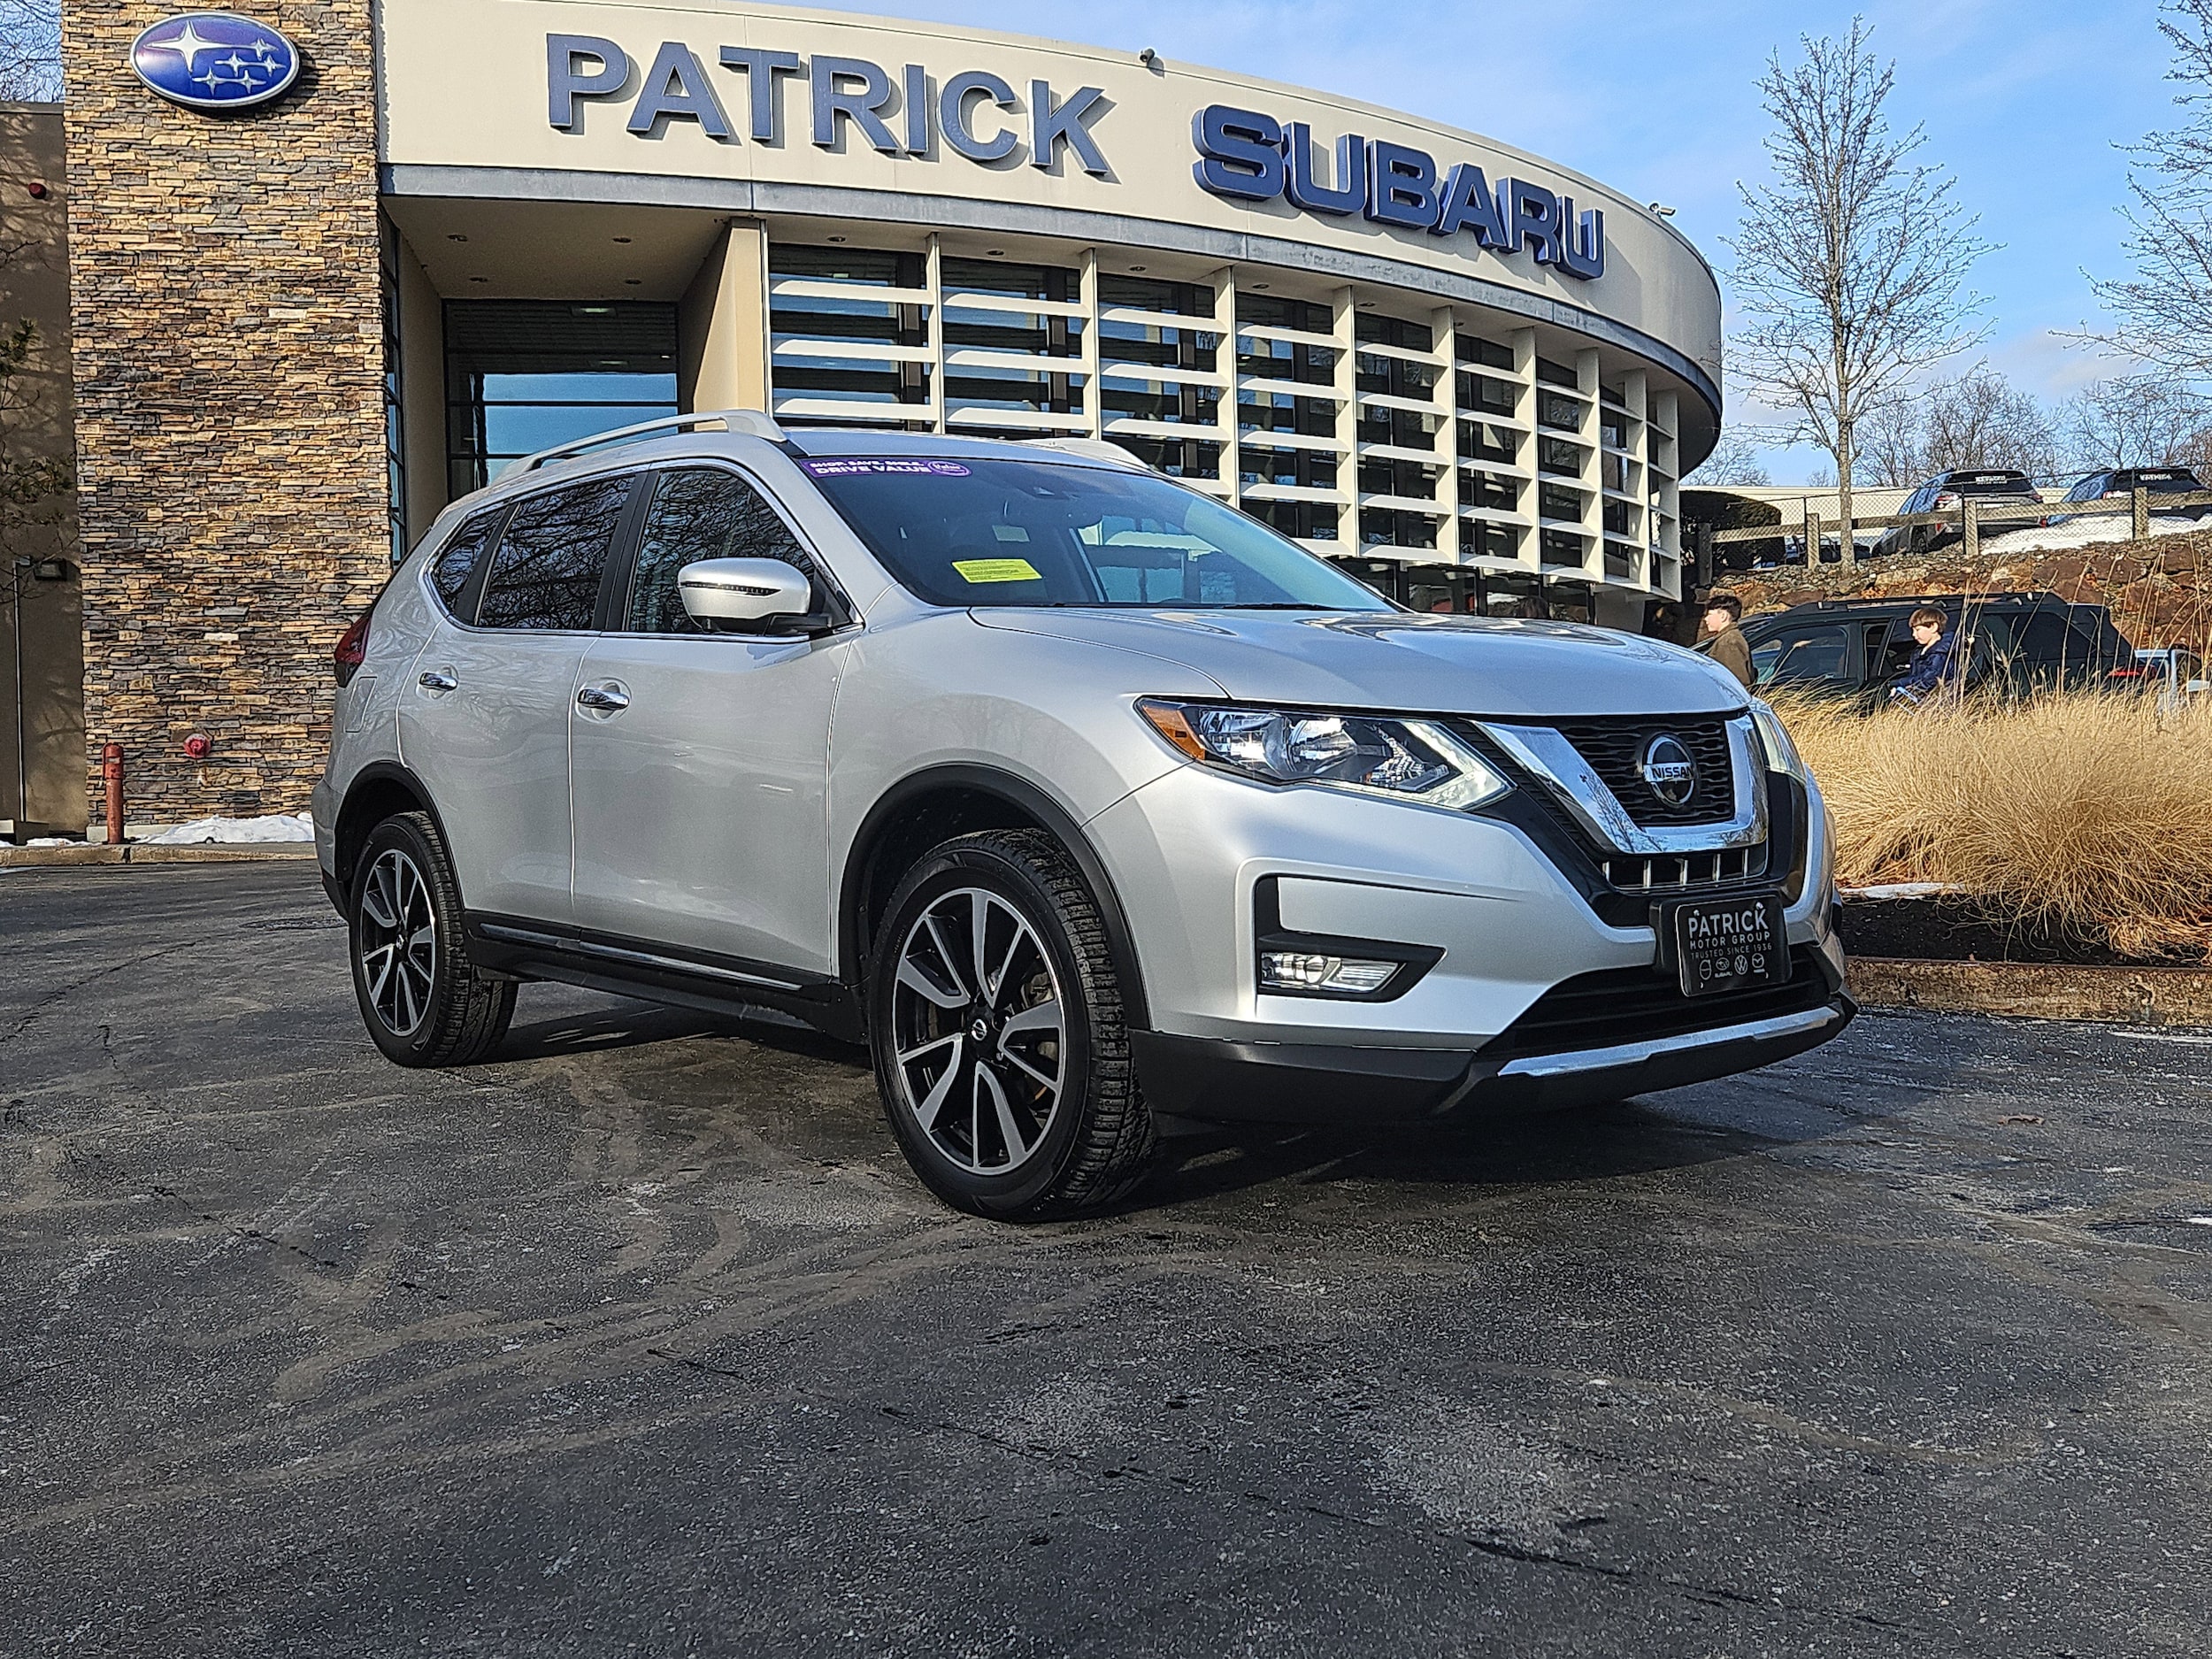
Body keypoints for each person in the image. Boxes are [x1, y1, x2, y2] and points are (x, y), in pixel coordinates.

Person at [1890, 604, 1962, 705]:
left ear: (1933, 627)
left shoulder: (1941, 653)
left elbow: (1929, 681)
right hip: (1924, 702)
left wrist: (1899, 684)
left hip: (1937, 705)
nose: (1914, 635)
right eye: (1913, 630)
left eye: (1918, 630)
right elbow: (1916, 677)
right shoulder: (1921, 651)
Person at [1697, 592, 1755, 687]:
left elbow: (1738, 681)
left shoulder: (1728, 642)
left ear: (1723, 616)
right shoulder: (1729, 638)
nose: (1706, 619)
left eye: (1710, 614)